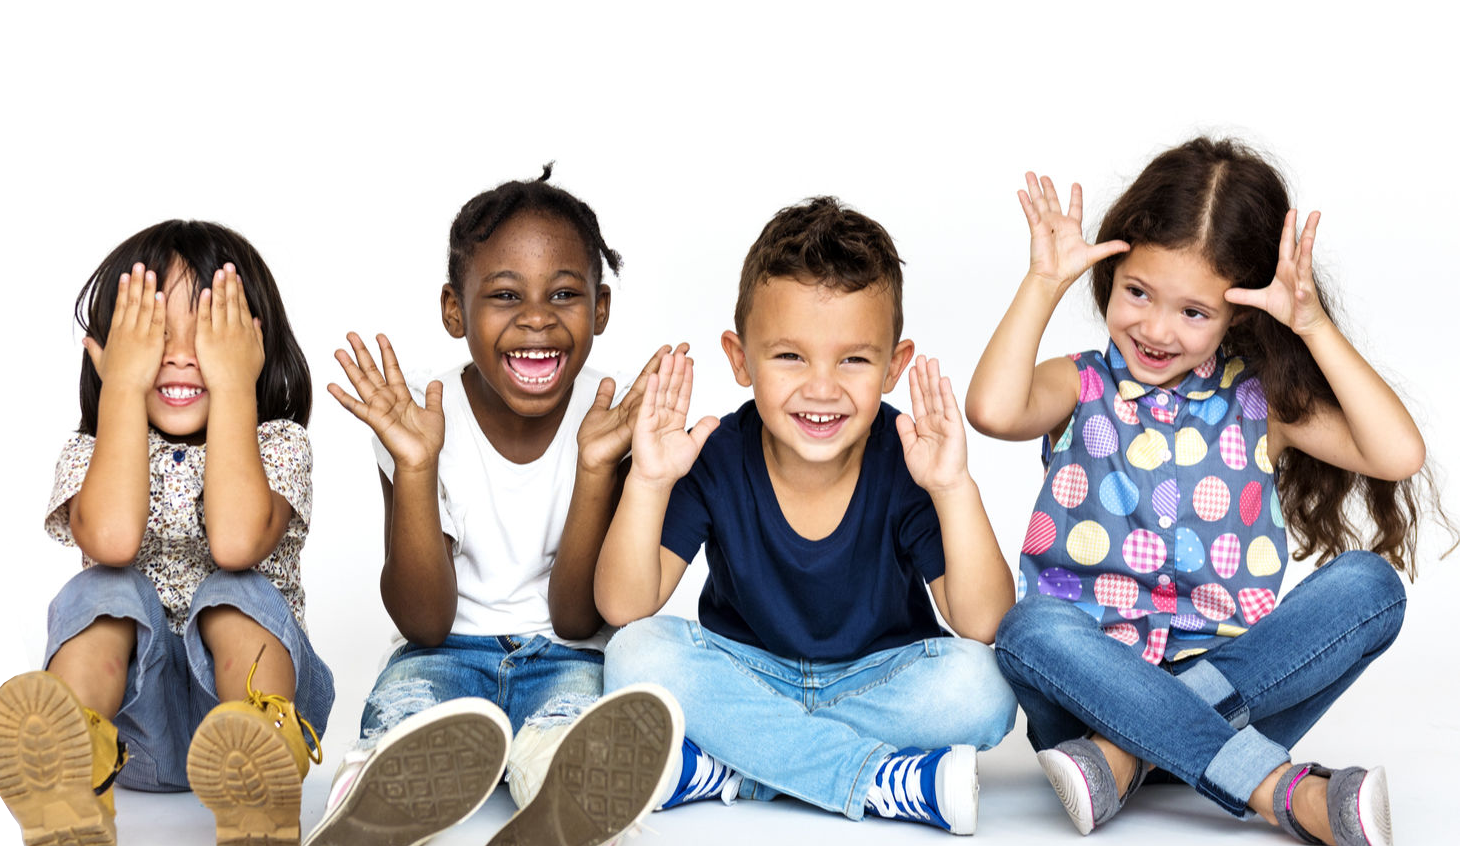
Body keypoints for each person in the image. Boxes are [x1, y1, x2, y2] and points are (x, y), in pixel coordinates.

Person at [966, 138, 1442, 845]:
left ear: (1240, 315)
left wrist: (1310, 323)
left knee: (1371, 585)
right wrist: (1042, 282)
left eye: (1194, 312)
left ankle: (1125, 759)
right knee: (1029, 630)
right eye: (1137, 293)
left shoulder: (1262, 405)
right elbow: (994, 410)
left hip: (1239, 695)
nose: (1155, 329)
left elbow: (1398, 454)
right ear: (1111, 275)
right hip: (1087, 696)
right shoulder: (1080, 384)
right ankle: (1278, 789)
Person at [597, 196, 1017, 836]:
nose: (822, 388)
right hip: (748, 673)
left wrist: (954, 486)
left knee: (984, 687)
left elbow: (981, 622)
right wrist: (650, 482)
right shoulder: (716, 456)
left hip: (876, 680)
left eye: (853, 359)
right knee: (632, 655)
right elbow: (625, 608)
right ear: (740, 360)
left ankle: (737, 769)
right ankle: (880, 781)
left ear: (893, 367)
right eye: (790, 356)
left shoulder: (906, 457)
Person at [313, 166, 682, 846]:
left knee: (574, 733)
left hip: (568, 654)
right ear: (455, 310)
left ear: (601, 307)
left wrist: (598, 468)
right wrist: (415, 465)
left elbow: (576, 617)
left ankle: (564, 808)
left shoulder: (613, 416)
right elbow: (424, 619)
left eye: (565, 294)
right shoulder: (419, 414)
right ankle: (369, 805)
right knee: (407, 718)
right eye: (505, 294)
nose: (537, 318)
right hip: (443, 651)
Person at [0, 221, 334, 846]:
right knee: (104, 588)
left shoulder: (278, 444)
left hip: (250, 727)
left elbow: (235, 543)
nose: (180, 356)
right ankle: (69, 762)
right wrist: (122, 386)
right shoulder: (90, 453)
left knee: (232, 591)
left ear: (252, 345)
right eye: (152, 335)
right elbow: (112, 540)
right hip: (135, 742)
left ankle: (261, 767)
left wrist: (234, 384)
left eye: (208, 334)